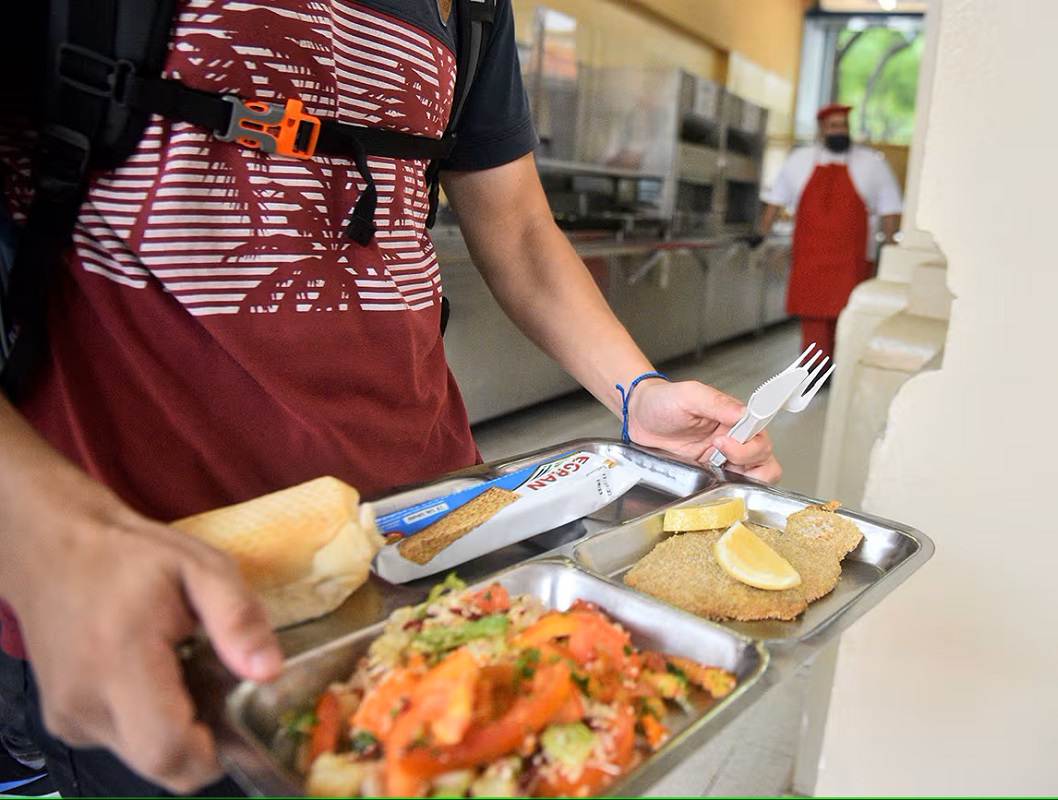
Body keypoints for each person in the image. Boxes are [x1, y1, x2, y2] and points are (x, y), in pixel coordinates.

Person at [0, 0, 781, 795]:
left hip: (440, 528)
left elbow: (515, 224)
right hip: (161, 573)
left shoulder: (475, 8)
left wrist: (636, 390)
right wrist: (50, 538)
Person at [749, 102, 902, 359]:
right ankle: (815, 370)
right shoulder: (799, 161)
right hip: (810, 258)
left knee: (848, 319)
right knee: (813, 321)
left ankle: (840, 368)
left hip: (850, 260)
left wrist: (889, 247)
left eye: (843, 124)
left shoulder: (871, 163)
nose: (839, 130)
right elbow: (776, 200)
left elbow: (890, 207)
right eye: (833, 125)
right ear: (821, 129)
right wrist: (762, 233)